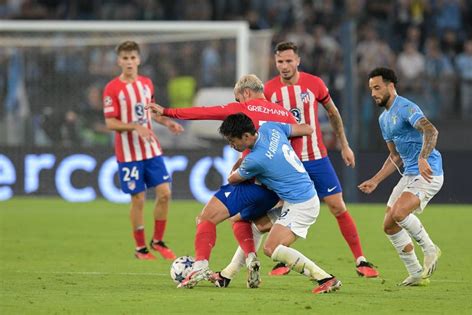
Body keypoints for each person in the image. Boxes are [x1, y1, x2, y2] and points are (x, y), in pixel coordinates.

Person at [147, 74, 303, 289]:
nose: (238, 103)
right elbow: (296, 142)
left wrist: (167, 111)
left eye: (238, 99)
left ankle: (200, 266)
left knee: (206, 218)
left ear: (246, 93)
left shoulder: (244, 109)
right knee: (241, 220)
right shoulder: (284, 114)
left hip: (254, 182)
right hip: (278, 187)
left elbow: (203, 113)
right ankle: (250, 259)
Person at [262, 41, 378, 277]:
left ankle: (361, 260)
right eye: (280, 62)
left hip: (316, 157)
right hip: (288, 163)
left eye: (288, 61)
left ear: (298, 61)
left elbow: (333, 113)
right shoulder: (269, 90)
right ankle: (283, 256)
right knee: (279, 209)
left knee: (337, 206)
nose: (284, 66)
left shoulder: (314, 83)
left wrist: (345, 146)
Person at [220, 113, 342, 294]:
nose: (232, 145)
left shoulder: (255, 159)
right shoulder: (271, 128)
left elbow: (232, 179)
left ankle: (325, 278)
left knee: (271, 248)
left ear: (246, 136)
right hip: (297, 197)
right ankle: (227, 275)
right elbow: (306, 129)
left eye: (232, 140)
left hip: (301, 204)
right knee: (256, 225)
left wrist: (239, 162)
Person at [359, 67, 443, 286]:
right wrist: (375, 180)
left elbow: (431, 131)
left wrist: (423, 157)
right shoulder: (383, 118)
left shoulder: (406, 107)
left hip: (429, 171)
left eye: (377, 88)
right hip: (409, 174)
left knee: (399, 212)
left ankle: (430, 248)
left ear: (391, 86)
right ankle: (416, 272)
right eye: (371, 89)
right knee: (389, 225)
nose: (373, 93)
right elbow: (395, 156)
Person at [103, 41, 183, 260]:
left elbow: (152, 112)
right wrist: (135, 127)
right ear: (119, 61)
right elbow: (110, 122)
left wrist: (168, 123)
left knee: (165, 194)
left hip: (151, 149)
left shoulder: (146, 83)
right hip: (128, 154)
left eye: (132, 57)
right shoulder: (112, 88)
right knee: (138, 199)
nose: (129, 62)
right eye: (125, 58)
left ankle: (158, 241)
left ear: (139, 59)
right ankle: (140, 249)